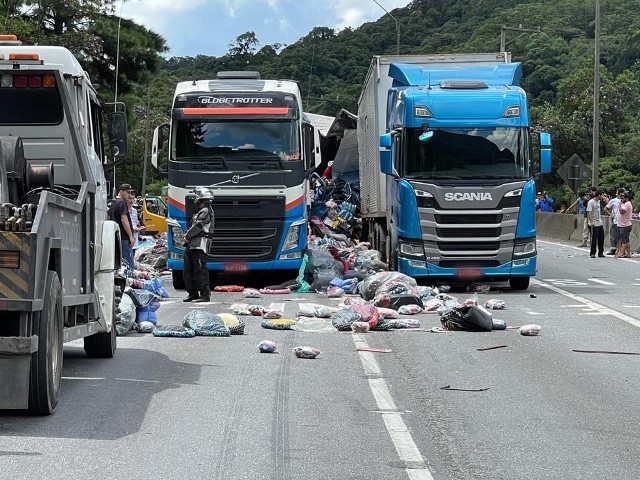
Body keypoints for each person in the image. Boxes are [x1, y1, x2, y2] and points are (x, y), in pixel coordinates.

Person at [183, 189, 215, 303]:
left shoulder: (205, 211)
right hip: (192, 245)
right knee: (188, 271)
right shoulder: (200, 211)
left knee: (200, 271)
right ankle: (193, 293)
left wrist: (187, 236)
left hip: (200, 245)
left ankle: (205, 295)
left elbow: (198, 226)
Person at [108, 183, 136, 272]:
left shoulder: (112, 203)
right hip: (124, 237)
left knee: (118, 263)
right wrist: (131, 236)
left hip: (115, 236)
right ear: (121, 192)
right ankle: (130, 280)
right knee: (127, 262)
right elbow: (124, 220)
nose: (129, 195)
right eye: (127, 193)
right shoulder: (122, 203)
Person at [604, 187, 625, 255]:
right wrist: (611, 215)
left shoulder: (625, 201)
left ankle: (621, 250)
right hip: (616, 221)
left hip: (623, 222)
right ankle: (613, 249)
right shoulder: (614, 200)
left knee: (622, 237)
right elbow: (606, 208)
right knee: (614, 236)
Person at [587, 188, 606, 258]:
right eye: (602, 195)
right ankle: (592, 252)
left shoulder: (599, 202)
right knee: (594, 239)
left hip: (599, 222)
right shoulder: (591, 202)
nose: (603, 197)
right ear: (599, 195)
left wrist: (605, 200)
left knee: (601, 238)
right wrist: (591, 222)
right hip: (594, 223)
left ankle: (600, 252)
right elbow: (589, 212)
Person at [616, 191, 633, 258]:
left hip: (625, 225)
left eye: (623, 198)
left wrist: (619, 205)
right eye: (621, 197)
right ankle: (628, 253)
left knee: (624, 241)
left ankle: (621, 253)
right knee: (627, 240)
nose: (621, 199)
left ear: (626, 198)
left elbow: (622, 211)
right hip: (623, 224)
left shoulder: (627, 204)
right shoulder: (624, 204)